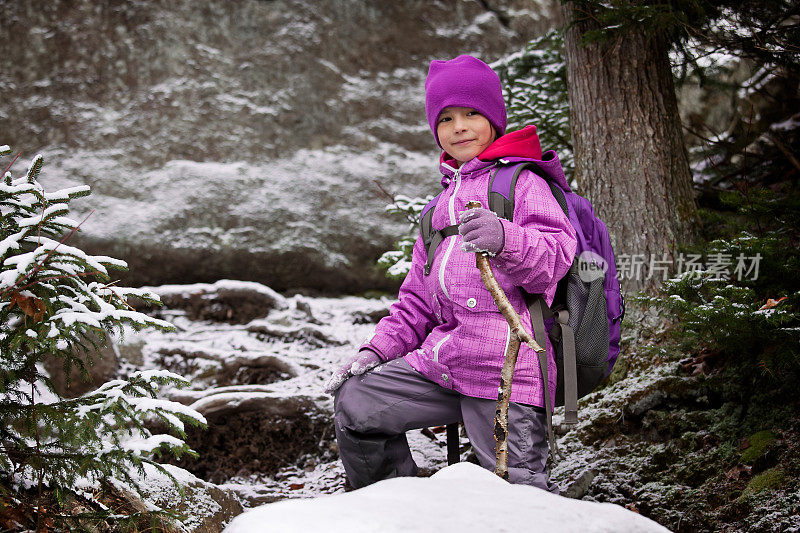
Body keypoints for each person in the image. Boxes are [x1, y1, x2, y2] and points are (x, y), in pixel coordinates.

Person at [325, 54, 577, 492]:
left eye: (472, 113)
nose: (459, 126)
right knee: (357, 403)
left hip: (507, 374)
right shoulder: (438, 208)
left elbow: (555, 259)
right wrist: (375, 352)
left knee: (511, 494)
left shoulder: (522, 183)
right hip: (445, 365)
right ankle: (394, 511)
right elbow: (415, 304)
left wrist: (505, 238)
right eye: (446, 118)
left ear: (494, 120)